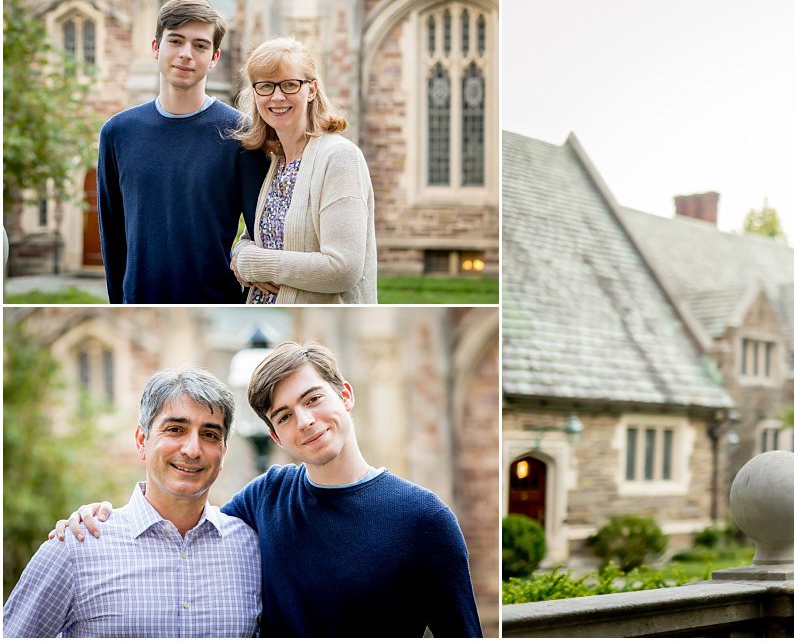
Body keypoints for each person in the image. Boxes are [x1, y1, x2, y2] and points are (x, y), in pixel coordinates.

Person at [55, 343, 480, 637]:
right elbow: (186, 524)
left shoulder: (424, 519)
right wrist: (102, 516)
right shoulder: (267, 498)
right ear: (276, 437)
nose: (306, 421)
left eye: (313, 399)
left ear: (345, 395)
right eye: (284, 416)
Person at [5, 369, 260, 637]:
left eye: (209, 435)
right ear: (142, 441)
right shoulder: (76, 548)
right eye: (175, 429)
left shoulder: (252, 548)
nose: (192, 450)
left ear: (223, 453)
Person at [97, 0, 269, 304]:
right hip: (137, 301)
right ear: (155, 47)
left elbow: (261, 232)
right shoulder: (118, 133)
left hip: (218, 297)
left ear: (215, 57)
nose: (186, 54)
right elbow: (112, 236)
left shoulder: (241, 135)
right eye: (175, 41)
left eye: (200, 46)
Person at [228, 37, 377, 303]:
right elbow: (251, 241)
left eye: (289, 84)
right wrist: (241, 254)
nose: (277, 96)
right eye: (265, 86)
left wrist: (253, 264)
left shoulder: (340, 158)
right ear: (254, 93)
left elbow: (342, 269)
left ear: (311, 90)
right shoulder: (274, 160)